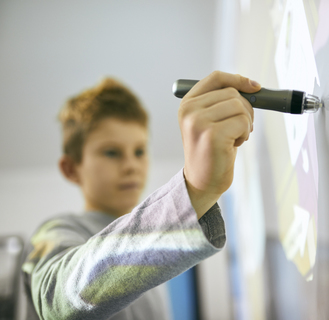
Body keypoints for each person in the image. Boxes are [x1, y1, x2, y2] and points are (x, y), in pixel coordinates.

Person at [21, 71, 261, 320]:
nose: (131, 166)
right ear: (71, 169)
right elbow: (56, 301)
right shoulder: (55, 231)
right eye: (112, 153)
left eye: (139, 151)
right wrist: (195, 190)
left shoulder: (151, 249)